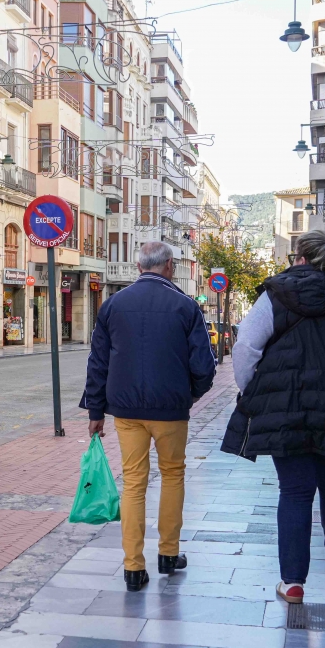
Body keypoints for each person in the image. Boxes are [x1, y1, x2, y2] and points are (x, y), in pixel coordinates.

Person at [223, 230, 325, 605]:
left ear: (301, 258)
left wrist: (257, 393)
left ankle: (293, 582)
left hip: (287, 411)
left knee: (295, 491)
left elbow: (246, 346)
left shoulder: (275, 295)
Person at [81, 241, 217, 592]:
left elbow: (98, 363)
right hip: (171, 411)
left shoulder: (112, 305)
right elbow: (204, 366)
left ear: (138, 268)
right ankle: (168, 554)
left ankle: (133, 567)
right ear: (169, 266)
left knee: (134, 481)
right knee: (172, 475)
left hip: (126, 412)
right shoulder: (187, 306)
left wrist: (96, 410)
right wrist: (189, 395)